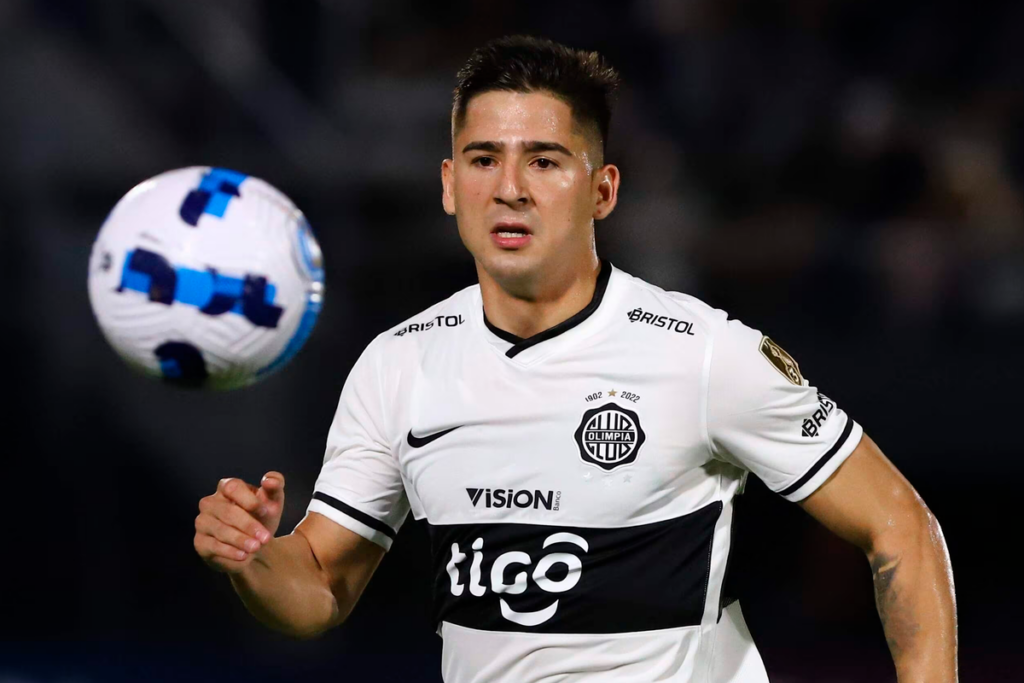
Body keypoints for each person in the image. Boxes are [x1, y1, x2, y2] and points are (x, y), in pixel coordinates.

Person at [193, 35, 957, 682]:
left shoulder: (702, 354)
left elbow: (902, 529)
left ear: (603, 190)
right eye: (484, 160)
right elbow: (320, 587)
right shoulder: (398, 365)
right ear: (450, 186)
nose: (512, 189)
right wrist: (254, 558)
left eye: (546, 161)